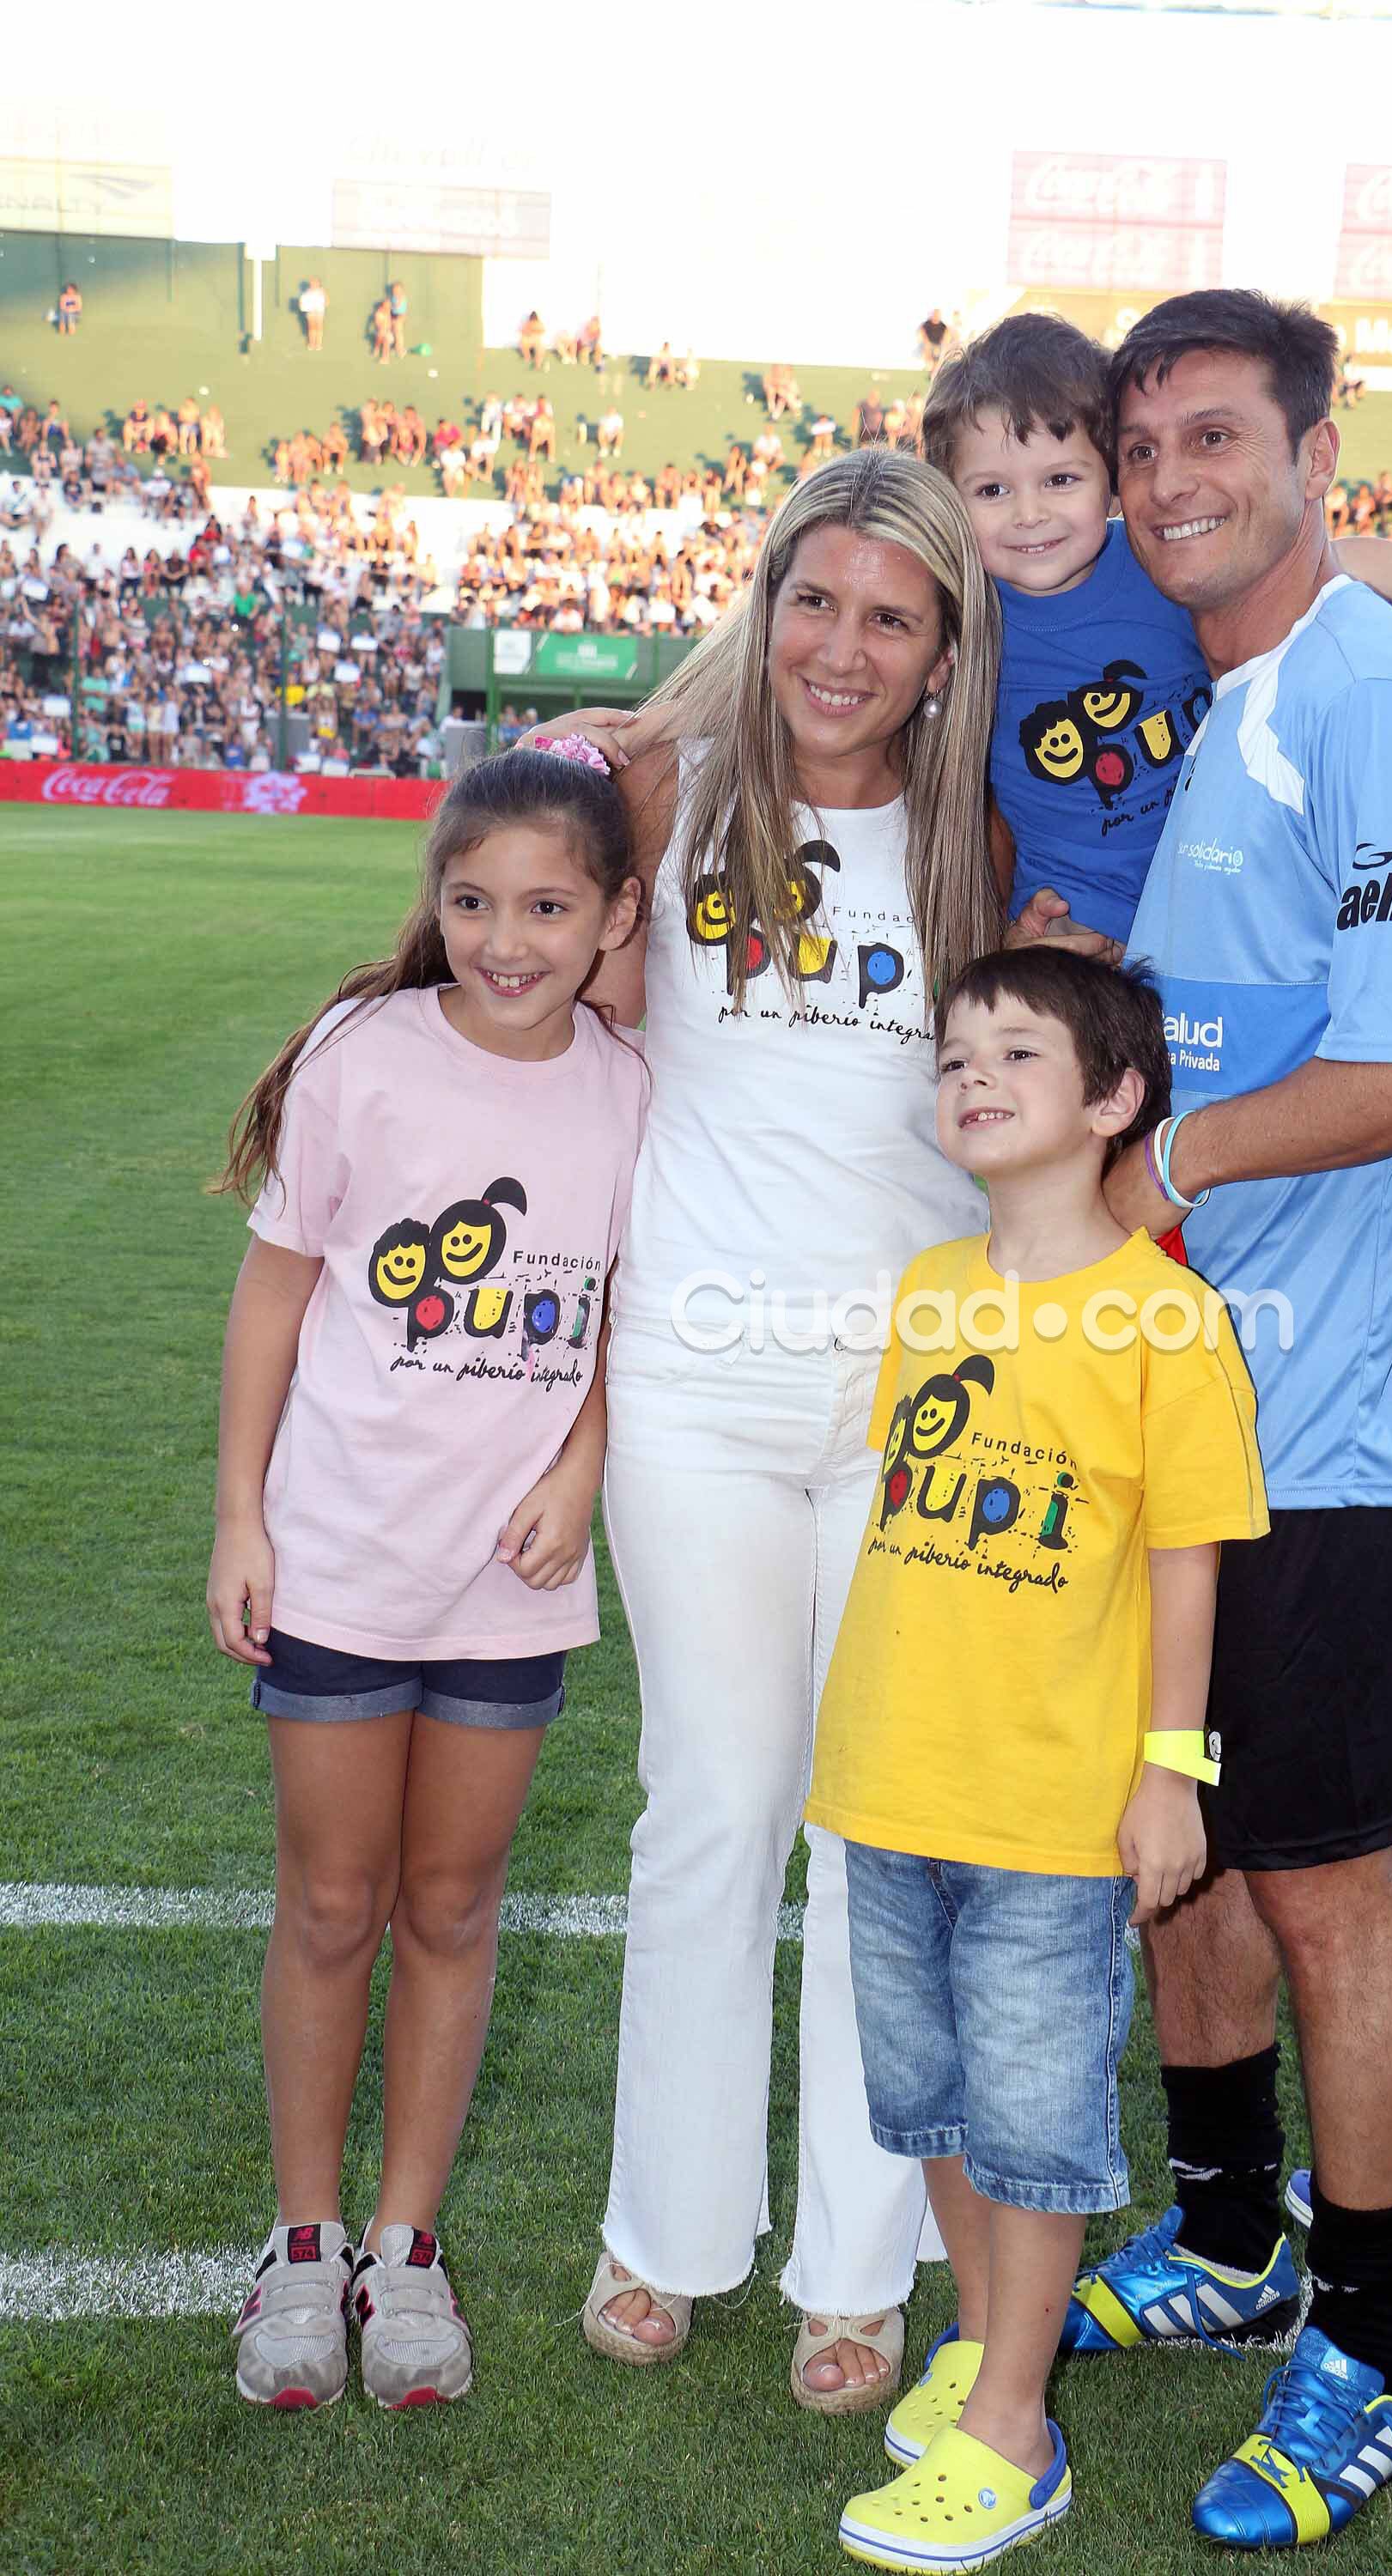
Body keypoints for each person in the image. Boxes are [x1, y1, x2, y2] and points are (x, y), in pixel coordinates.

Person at [1085, 288, 1392, 2549]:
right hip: (1202, 1402)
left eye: (1214, 437)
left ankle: (1357, 2337)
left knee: (1326, 1877)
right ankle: (1236, 2235)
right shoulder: (1235, 697)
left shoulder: (1362, 687)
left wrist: (1172, 1168)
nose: (1170, 477)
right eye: (1140, 442)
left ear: (1317, 446)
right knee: (1192, 1841)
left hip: (1326, 1416)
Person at [531, 448, 1005, 2415]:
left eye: (888, 617)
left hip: (910, 1401)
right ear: (764, 601)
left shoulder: (978, 841)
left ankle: (854, 2264)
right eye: (812, 600)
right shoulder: (664, 788)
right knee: (713, 1802)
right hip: (698, 1389)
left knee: (868, 1831)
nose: (840, 645)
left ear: (935, 653)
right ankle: (664, 2231)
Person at [808, 944, 1268, 2567]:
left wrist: (1170, 1770)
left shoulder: (1167, 1318)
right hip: (888, 1776)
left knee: (1032, 2112)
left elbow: (1188, 1561)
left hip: (1053, 1807)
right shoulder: (932, 1288)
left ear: (1116, 1099)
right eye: (953, 1056)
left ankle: (1016, 2431)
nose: (973, 1077)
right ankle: (984, 2346)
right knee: (932, 2105)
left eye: (1015, 1053)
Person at [208, 746, 647, 2412]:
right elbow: (274, 1294)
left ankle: (407, 2246)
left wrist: (581, 1468)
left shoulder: (622, 1088)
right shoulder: (364, 1058)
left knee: (453, 1908)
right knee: (331, 1904)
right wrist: (241, 1518)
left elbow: (618, 1314)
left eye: (547, 907)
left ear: (614, 918)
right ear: (433, 902)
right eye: (472, 903)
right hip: (336, 1557)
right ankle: (304, 2246)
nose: (505, 940)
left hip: (506, 1583)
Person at [920, 313, 1392, 952]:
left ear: (1113, 483)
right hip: (1069, 928)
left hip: (1213, 906)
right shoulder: (962, 623)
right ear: (950, 500)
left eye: (1060, 480)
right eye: (992, 489)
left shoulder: (1157, 563)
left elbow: (1345, 566)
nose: (1030, 514)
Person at [301, 279, 327, 350]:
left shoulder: (322, 291)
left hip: (319, 312)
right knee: (311, 329)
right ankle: (311, 344)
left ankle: (318, 345)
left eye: (315, 283)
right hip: (311, 313)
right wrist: (303, 306)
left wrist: (322, 304)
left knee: (319, 329)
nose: (313, 284)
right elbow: (302, 302)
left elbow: (327, 302)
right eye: (311, 283)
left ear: (318, 284)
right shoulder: (307, 292)